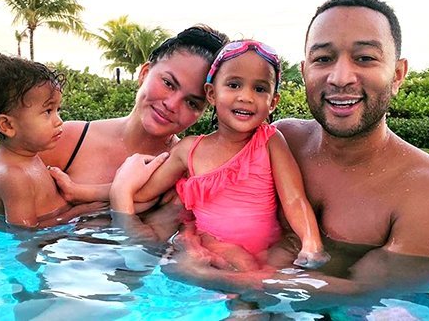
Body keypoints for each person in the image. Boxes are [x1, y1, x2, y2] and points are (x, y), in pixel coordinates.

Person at [154, 0, 429, 310]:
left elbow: (369, 294)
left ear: (397, 74)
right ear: (305, 70)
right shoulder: (279, 140)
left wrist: (221, 279)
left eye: (365, 58)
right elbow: (185, 209)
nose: (340, 78)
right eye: (323, 59)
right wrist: (186, 247)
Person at [111, 40, 330, 271]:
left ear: (273, 102)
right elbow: (146, 194)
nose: (246, 97)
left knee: (268, 278)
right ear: (211, 94)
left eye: (260, 89)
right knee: (233, 277)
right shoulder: (189, 150)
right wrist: (119, 187)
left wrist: (312, 243)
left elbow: (294, 199)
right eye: (234, 85)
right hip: (213, 248)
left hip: (269, 250)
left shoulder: (270, 141)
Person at [42, 25, 229, 240]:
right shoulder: (65, 140)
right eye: (168, 83)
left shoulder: (184, 176)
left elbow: (144, 257)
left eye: (192, 103)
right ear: (145, 73)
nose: (171, 104)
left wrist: (118, 196)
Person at [0, 53, 106, 228]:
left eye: (57, 110)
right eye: (48, 111)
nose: (59, 120)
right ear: (7, 125)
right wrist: (77, 213)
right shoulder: (13, 176)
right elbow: (24, 233)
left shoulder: (26, 156)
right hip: (55, 235)